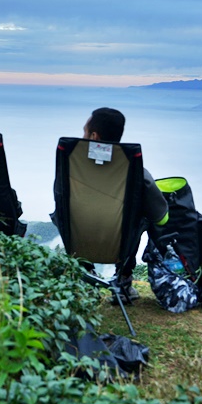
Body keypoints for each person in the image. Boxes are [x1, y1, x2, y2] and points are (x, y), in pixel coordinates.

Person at [55, 107, 169, 302]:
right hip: (120, 246)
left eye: (84, 131)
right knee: (140, 219)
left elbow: (59, 199)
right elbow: (160, 216)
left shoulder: (71, 167)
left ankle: (87, 280)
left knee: (63, 214)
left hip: (79, 241)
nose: (82, 136)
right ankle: (124, 283)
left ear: (94, 136)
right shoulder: (135, 171)